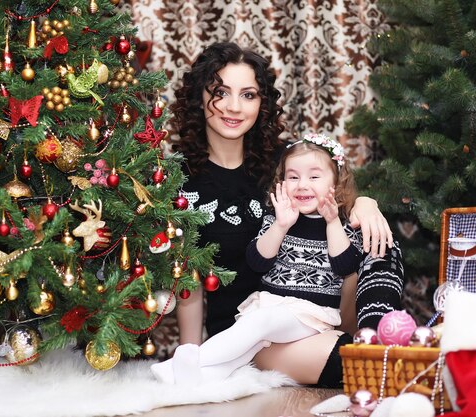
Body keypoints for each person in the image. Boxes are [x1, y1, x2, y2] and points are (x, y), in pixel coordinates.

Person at [167, 42, 402, 386]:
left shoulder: (283, 164)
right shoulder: (179, 179)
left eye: (248, 95)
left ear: (262, 103)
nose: (234, 107)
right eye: (221, 92)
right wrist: (189, 356)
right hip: (247, 333)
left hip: (316, 316)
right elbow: (187, 278)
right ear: (199, 97)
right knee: (369, 369)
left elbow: (333, 196)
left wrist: (366, 203)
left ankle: (371, 333)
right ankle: (372, 350)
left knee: (381, 241)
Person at [152, 133, 365, 384]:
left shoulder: (342, 224)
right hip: (272, 305)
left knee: (258, 323)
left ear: (336, 183)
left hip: (311, 315)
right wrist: (281, 226)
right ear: (281, 182)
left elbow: (346, 266)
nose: (302, 184)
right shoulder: (277, 218)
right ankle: (194, 377)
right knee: (242, 352)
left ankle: (181, 362)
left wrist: (331, 221)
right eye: (293, 177)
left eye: (314, 177)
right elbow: (257, 261)